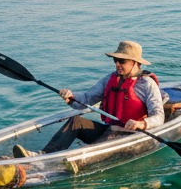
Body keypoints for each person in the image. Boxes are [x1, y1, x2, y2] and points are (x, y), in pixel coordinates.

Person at [16, 40, 166, 155]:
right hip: (110, 129)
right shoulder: (109, 79)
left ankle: (67, 164)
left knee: (95, 147)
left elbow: (159, 117)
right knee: (76, 121)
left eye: (122, 61)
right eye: (115, 60)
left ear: (135, 63)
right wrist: (71, 96)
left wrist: (141, 124)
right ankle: (44, 156)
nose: (117, 64)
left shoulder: (147, 84)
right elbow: (87, 99)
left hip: (131, 136)